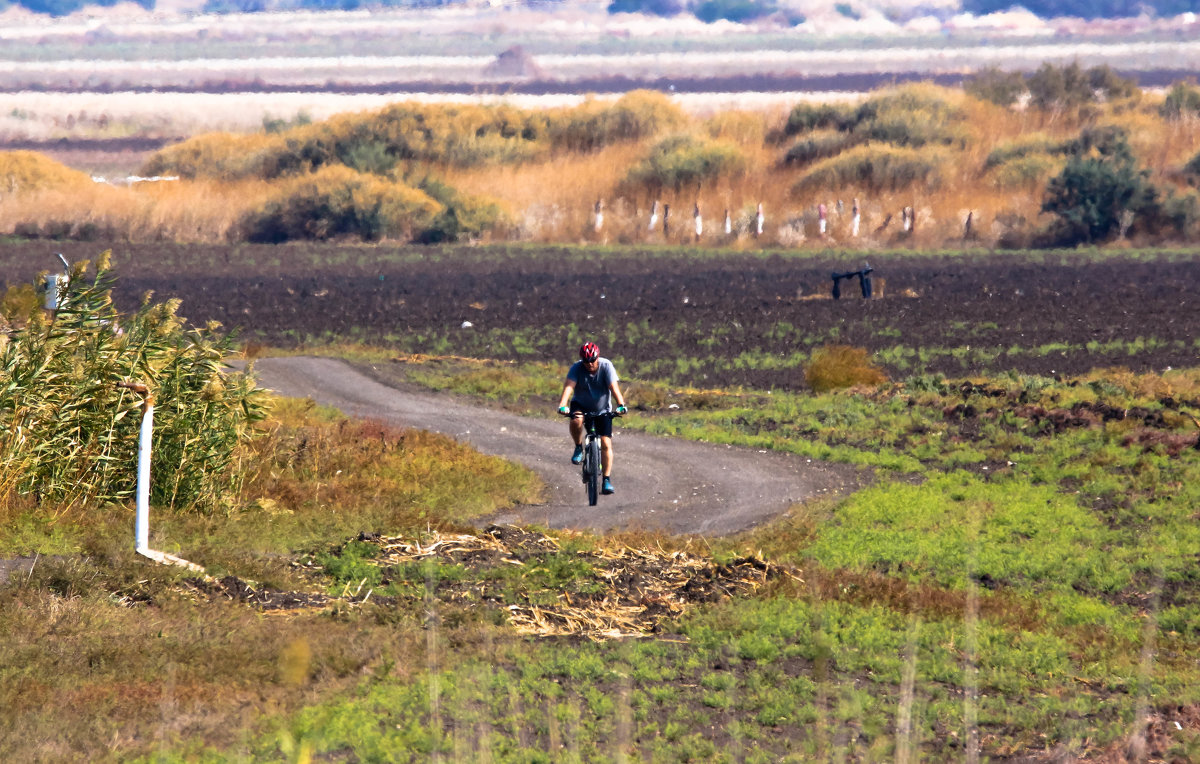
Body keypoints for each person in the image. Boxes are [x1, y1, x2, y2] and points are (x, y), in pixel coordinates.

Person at [557, 341, 627, 495]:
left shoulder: (606, 366)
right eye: (586, 361)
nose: (589, 364)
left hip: (603, 409)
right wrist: (563, 404)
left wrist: (621, 404)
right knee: (576, 420)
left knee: (605, 443)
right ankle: (578, 447)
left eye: (592, 360)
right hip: (581, 405)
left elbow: (614, 388)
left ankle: (607, 480)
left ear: (598, 357)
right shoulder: (576, 368)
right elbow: (569, 386)